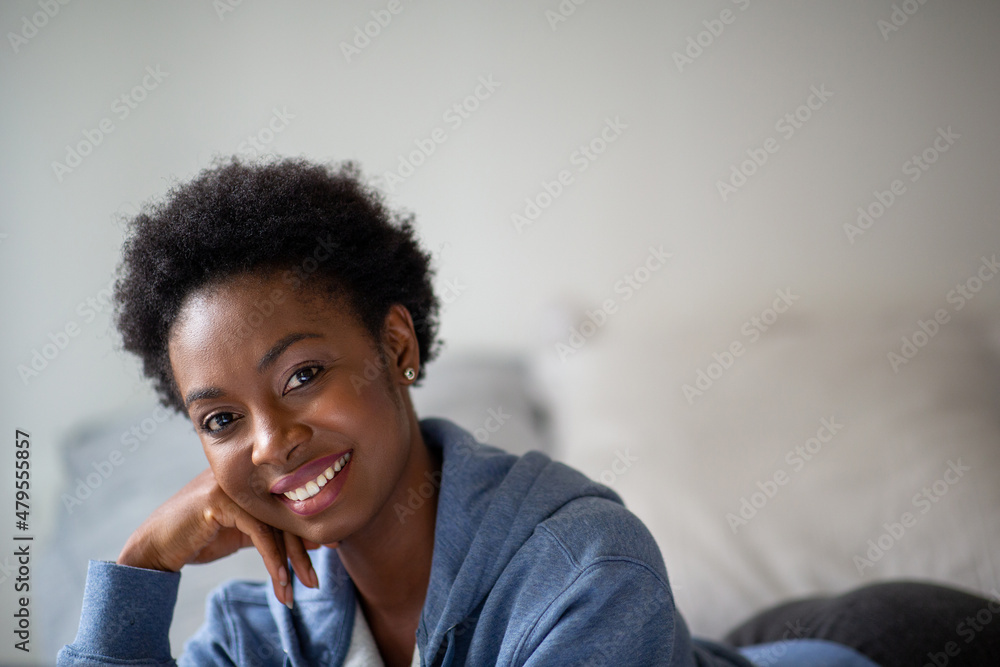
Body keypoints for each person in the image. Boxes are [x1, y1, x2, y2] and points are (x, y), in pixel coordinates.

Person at [57, 157, 997, 667]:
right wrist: (142, 567)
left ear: (396, 344)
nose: (273, 441)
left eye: (303, 373)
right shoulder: (262, 631)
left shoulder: (586, 566)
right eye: (221, 419)